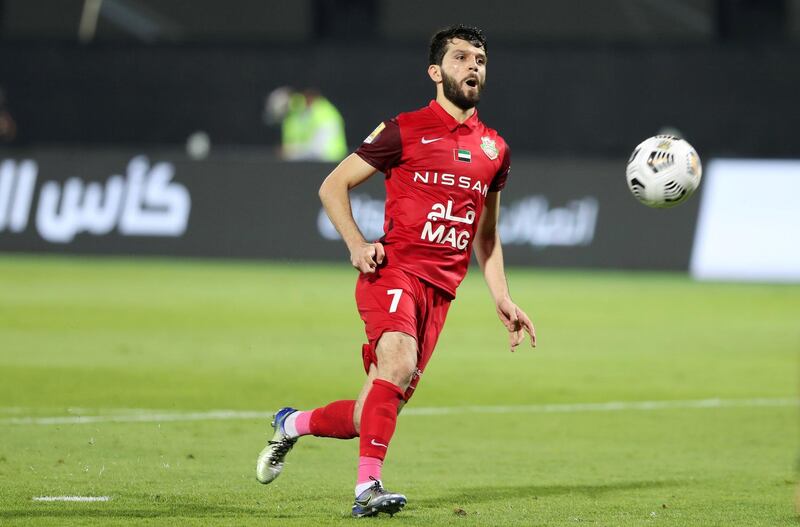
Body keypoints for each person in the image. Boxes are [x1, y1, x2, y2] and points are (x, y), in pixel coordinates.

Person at [256, 24, 536, 518]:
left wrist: (502, 297)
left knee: (370, 416)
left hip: (441, 294)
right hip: (393, 272)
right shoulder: (404, 129)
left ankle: (291, 424)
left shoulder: (496, 150)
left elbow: (486, 238)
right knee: (399, 361)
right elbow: (332, 185)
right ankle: (367, 489)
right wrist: (357, 244)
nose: (474, 66)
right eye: (462, 58)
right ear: (435, 71)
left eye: (481, 60)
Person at [264, 86, 348, 162]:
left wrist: (291, 153)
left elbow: (319, 150)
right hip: (308, 165)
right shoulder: (293, 117)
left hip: (330, 164)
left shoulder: (324, 113)